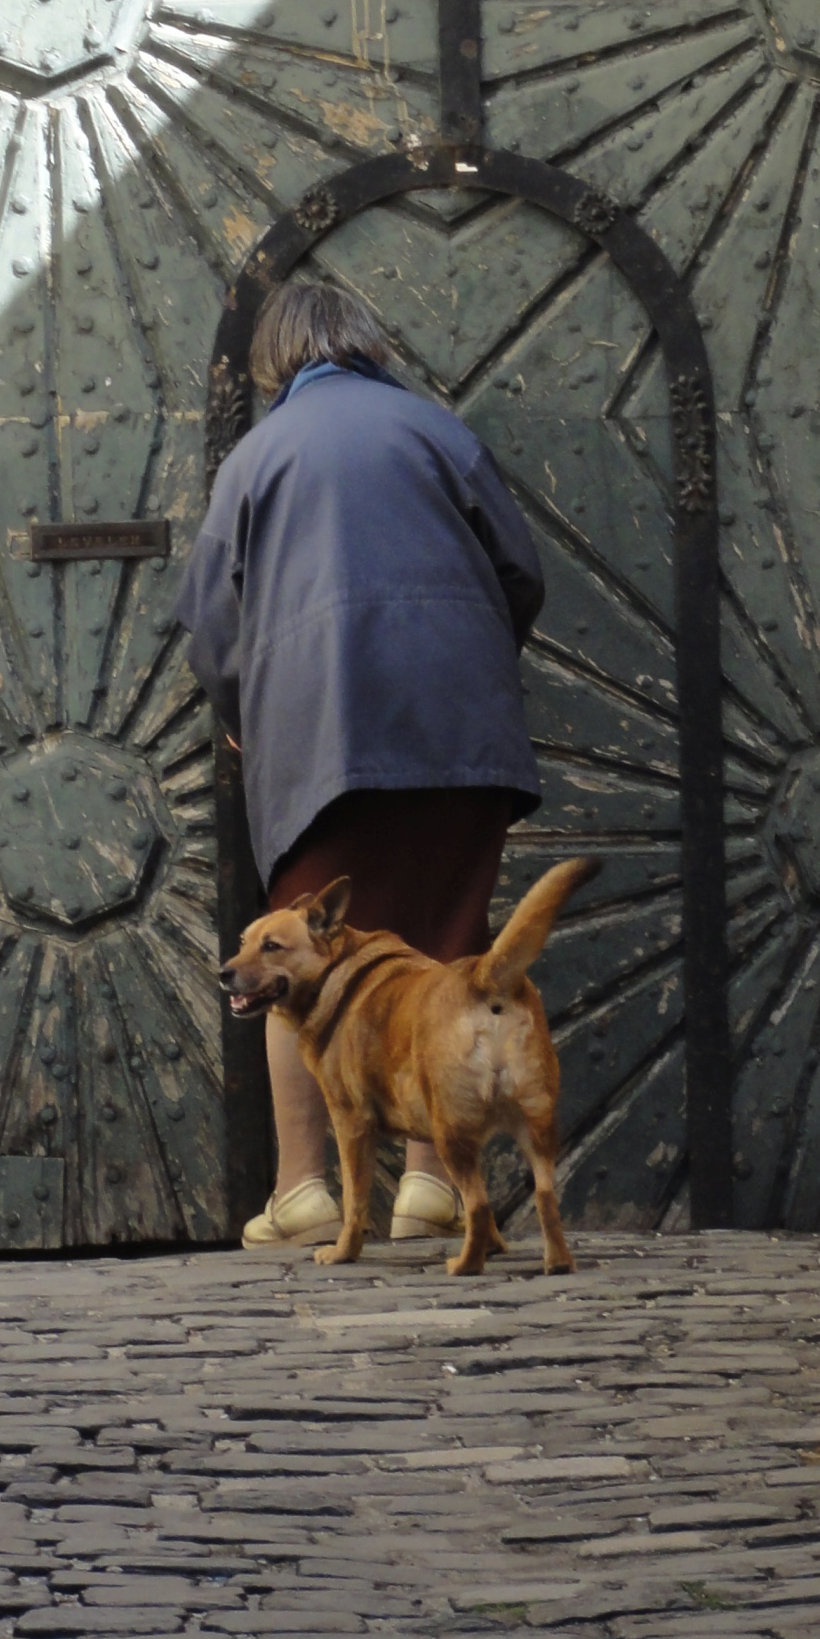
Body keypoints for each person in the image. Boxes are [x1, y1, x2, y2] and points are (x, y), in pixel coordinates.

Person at [176, 281, 545, 1247]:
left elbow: (211, 626)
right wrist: (469, 668)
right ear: (370, 344)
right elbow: (521, 573)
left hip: (318, 740)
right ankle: (431, 1185)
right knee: (446, 953)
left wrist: (247, 716)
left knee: (290, 968)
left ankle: (304, 1191)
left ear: (275, 362)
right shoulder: (440, 434)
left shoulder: (255, 457)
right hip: (459, 735)